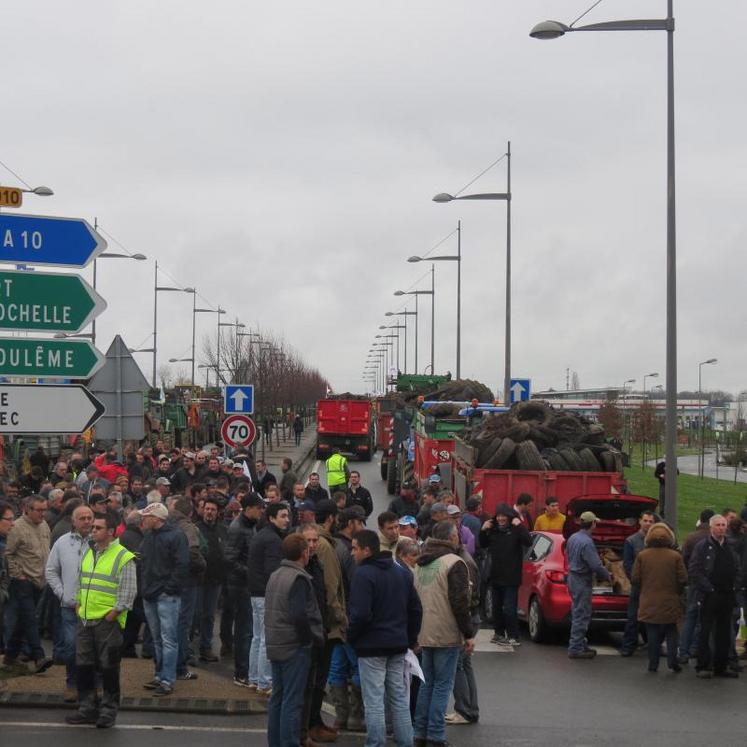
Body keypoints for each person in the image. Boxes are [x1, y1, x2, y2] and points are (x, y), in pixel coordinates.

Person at [348, 529, 423, 747]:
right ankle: (405, 742)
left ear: (367, 550)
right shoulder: (401, 572)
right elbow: (416, 609)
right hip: (397, 645)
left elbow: (360, 614)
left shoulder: (363, 574)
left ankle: (376, 744)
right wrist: (409, 638)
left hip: (371, 646)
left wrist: (352, 637)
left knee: (374, 701)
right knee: (399, 698)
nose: (352, 553)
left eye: (355, 548)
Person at [64, 510, 136, 728]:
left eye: (98, 528)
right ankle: (87, 708)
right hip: (85, 619)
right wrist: (78, 603)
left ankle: (108, 711)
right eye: (93, 527)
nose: (92, 530)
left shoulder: (124, 557)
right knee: (84, 666)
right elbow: (81, 579)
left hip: (107, 622)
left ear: (111, 532)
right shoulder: (89, 551)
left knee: (109, 668)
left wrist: (114, 613)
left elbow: (129, 591)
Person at [413, 521, 476, 747]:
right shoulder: (454, 563)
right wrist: (468, 634)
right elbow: (460, 603)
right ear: (451, 539)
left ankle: (420, 733)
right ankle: (436, 736)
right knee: (442, 685)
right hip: (446, 633)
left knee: (427, 684)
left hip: (424, 631)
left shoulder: (421, 562)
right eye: (456, 535)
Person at [265, 534, 324, 747]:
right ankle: (289, 743)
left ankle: (275, 742)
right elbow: (299, 614)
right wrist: (308, 640)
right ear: (303, 554)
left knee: (278, 699)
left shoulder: (276, 574)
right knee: (293, 701)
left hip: (276, 643)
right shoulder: (299, 578)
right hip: (294, 647)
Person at [139, 502, 189, 696]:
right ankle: (161, 675)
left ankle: (167, 679)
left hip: (165, 595)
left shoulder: (175, 536)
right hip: (153, 593)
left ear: (156, 518)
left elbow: (182, 565)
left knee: (167, 639)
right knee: (159, 639)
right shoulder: (150, 536)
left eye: (146, 516)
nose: (143, 520)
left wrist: (169, 588)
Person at [45, 504, 94, 701]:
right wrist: (62, 593)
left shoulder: (100, 542)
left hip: (95, 608)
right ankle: (72, 684)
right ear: (73, 521)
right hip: (70, 607)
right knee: (71, 647)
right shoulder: (62, 543)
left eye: (90, 517)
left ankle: (95, 686)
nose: (87, 521)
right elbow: (50, 571)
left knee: (95, 649)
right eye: (82, 518)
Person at [309, 499, 347, 742]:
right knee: (318, 677)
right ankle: (312, 724)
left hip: (320, 621)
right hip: (327, 624)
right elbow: (331, 586)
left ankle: (315, 722)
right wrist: (340, 618)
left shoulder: (319, 542)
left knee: (318, 676)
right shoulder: (324, 545)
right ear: (331, 518)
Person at [2, 494, 53, 673]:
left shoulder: (45, 526)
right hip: (23, 581)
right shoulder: (16, 527)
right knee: (31, 617)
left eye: (44, 509)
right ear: (27, 509)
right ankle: (38, 656)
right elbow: (7, 554)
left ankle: (10, 655)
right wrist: (18, 574)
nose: (42, 513)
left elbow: (47, 549)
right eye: (38, 510)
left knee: (24, 620)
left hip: (40, 580)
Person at [689, 514, 744, 678]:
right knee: (705, 631)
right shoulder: (702, 546)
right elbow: (695, 570)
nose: (722, 528)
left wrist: (736, 585)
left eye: (724, 525)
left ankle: (721, 665)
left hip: (727, 595)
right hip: (710, 595)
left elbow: (738, 568)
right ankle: (703, 665)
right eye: (718, 525)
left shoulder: (730, 546)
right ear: (711, 527)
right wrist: (708, 588)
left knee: (724, 632)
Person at [631, 522, 687, 673]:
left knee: (652, 632)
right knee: (671, 631)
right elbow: (683, 579)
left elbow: (635, 578)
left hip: (648, 599)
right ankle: (672, 661)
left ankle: (653, 663)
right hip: (671, 599)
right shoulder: (675, 556)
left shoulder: (643, 555)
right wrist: (677, 591)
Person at [248, 502, 290, 696]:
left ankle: (254, 678)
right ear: (272, 518)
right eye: (282, 516)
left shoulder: (261, 536)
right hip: (266, 594)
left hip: (255, 592)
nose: (287, 520)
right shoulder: (273, 540)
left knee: (257, 637)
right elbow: (272, 571)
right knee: (266, 639)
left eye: (287, 516)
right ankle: (264, 682)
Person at [224, 492, 263, 686]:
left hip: (247, 584)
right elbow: (230, 559)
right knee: (244, 630)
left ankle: (248, 670)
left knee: (249, 629)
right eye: (259, 508)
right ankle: (242, 671)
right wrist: (251, 572)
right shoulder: (238, 528)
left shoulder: (250, 526)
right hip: (240, 586)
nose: (261, 511)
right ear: (248, 509)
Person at [479, 504, 531, 645]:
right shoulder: (494, 530)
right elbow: (483, 544)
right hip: (496, 575)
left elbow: (528, 541)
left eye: (504, 516)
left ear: (509, 517)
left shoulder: (515, 531)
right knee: (496, 608)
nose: (501, 519)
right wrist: (483, 531)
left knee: (509, 608)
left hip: (511, 577)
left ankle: (513, 635)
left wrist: (520, 526)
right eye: (499, 516)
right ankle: (499, 633)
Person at [565, 510, 611, 659]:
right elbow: (596, 565)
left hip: (572, 577)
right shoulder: (587, 542)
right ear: (593, 524)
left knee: (576, 610)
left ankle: (580, 642)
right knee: (582, 614)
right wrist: (608, 576)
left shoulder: (573, 537)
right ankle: (576, 647)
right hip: (582, 580)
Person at [170, 496, 207, 681]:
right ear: (190, 512)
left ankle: (167, 667)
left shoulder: (166, 524)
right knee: (183, 624)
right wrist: (202, 564)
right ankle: (180, 666)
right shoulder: (187, 527)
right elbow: (193, 554)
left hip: (170, 581)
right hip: (187, 581)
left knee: (170, 625)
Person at [678, 508, 716, 663]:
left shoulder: (691, 538)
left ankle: (684, 651)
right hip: (711, 584)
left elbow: (684, 559)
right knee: (705, 619)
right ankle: (696, 647)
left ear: (700, 520)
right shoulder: (714, 538)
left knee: (691, 617)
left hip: (694, 583)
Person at [619, 510, 656, 656]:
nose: (647, 524)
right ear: (640, 521)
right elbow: (627, 565)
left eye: (650, 521)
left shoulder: (657, 541)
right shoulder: (631, 541)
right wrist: (636, 581)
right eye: (645, 520)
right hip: (638, 586)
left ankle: (652, 645)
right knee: (633, 617)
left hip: (654, 586)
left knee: (653, 618)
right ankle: (628, 646)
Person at [196, 495, 227, 662]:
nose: (209, 512)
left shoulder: (223, 529)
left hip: (216, 579)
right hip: (198, 580)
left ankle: (206, 647)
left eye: (212, 510)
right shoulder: (196, 529)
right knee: (195, 615)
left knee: (209, 615)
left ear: (217, 512)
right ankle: (188, 649)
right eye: (207, 509)